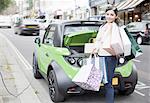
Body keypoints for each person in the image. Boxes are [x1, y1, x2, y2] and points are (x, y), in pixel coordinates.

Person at [92, 6, 120, 103]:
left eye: (112, 15)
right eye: (107, 14)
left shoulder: (114, 27)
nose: (109, 16)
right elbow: (98, 40)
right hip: (101, 55)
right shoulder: (103, 26)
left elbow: (114, 43)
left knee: (108, 83)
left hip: (109, 57)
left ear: (116, 16)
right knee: (104, 81)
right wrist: (96, 48)